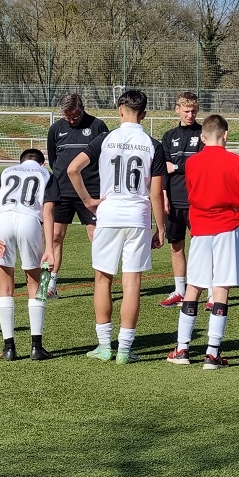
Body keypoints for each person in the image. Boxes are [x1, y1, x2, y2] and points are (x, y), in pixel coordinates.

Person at [67, 89, 165, 365]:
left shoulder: (104, 139)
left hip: (109, 214)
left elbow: (72, 169)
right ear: (144, 114)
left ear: (120, 111)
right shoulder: (153, 144)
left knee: (103, 279)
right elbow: (156, 193)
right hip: (138, 216)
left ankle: (103, 346)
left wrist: (88, 201)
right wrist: (161, 228)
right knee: (132, 283)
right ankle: (124, 349)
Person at [167, 114, 239, 369]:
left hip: (201, 228)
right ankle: (212, 354)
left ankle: (182, 349)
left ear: (202, 137)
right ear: (226, 135)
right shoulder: (235, 160)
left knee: (194, 286)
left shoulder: (193, 162)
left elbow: (191, 192)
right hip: (227, 228)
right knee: (221, 287)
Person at [0, 149, 52, 361]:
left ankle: (8, 348)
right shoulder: (45, 173)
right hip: (29, 220)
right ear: (42, 163)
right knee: (38, 285)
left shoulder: (7, 171)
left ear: (20, 162)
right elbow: (48, 210)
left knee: (5, 287)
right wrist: (50, 247)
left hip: (2, 221)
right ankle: (37, 347)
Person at [43, 93, 109, 298]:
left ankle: (102, 284)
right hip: (62, 191)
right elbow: (54, 160)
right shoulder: (56, 129)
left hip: (91, 192)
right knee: (54, 237)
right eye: (68, 117)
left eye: (76, 115)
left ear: (82, 108)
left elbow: (105, 157)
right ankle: (48, 285)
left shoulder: (98, 126)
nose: (72, 120)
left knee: (96, 237)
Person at [158, 91, 205, 308]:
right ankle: (180, 290)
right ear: (177, 109)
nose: (190, 115)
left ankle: (211, 292)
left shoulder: (204, 133)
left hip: (197, 200)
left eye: (193, 111)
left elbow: (202, 164)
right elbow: (163, 169)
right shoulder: (169, 136)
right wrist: (164, 194)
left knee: (202, 247)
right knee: (175, 246)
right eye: (186, 111)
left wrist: (176, 166)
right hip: (174, 200)